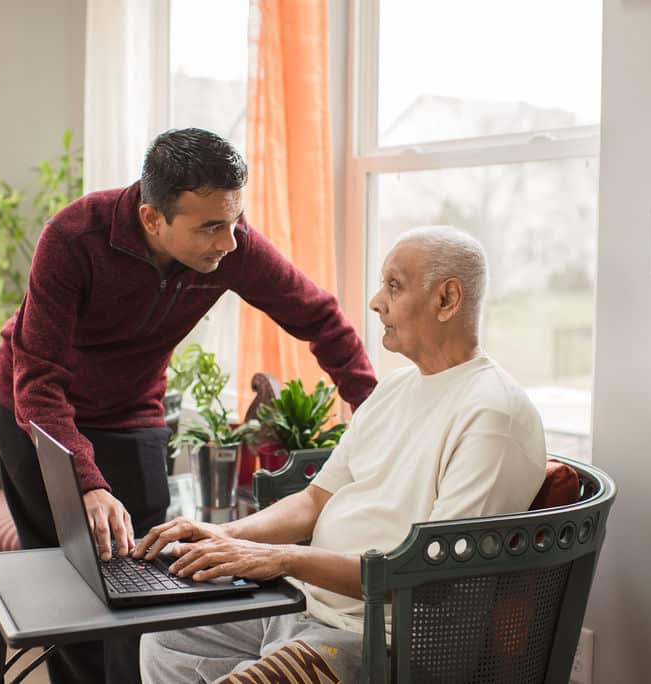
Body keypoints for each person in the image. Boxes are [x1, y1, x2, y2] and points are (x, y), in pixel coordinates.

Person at [0, 127, 377, 684]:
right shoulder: (74, 238)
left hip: (132, 411)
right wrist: (88, 482)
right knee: (71, 585)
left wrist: (374, 410)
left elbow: (320, 317)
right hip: (37, 413)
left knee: (150, 578)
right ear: (153, 219)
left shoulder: (231, 244)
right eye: (211, 227)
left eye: (234, 220)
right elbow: (40, 381)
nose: (230, 242)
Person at [136, 226, 547, 684]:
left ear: (447, 300)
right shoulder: (394, 388)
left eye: (394, 285)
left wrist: (283, 558)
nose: (376, 301)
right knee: (164, 638)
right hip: (306, 605)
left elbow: (430, 576)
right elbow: (316, 500)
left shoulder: (493, 414)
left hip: (385, 643)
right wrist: (224, 535)